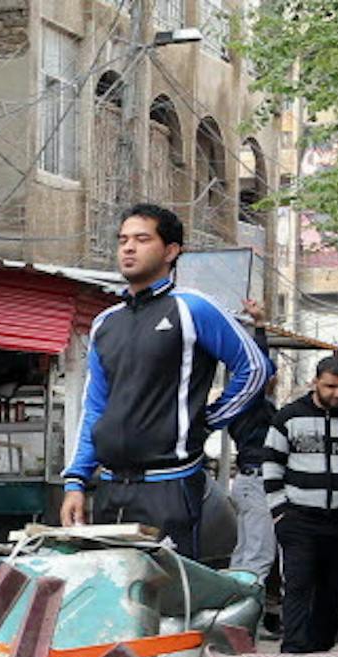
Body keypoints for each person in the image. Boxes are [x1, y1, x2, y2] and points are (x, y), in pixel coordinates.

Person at [60, 204, 270, 557]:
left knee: (168, 599)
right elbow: (95, 407)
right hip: (110, 488)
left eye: (142, 239)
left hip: (170, 485)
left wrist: (207, 421)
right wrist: (76, 481)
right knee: (113, 594)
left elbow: (255, 369)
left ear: (171, 251)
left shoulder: (193, 308)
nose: (128, 248)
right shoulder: (105, 323)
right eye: (123, 240)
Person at [261, 355, 338, 653]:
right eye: (331, 386)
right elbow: (272, 467)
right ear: (316, 382)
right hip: (298, 518)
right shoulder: (288, 417)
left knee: (334, 591)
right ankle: (295, 649)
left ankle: (321, 649)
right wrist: (279, 513)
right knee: (298, 584)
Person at [225, 300, 279, 580]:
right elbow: (258, 366)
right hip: (256, 481)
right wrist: (259, 326)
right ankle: (248, 619)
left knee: (246, 554)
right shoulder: (250, 404)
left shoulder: (247, 405)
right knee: (258, 556)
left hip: (250, 481)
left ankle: (236, 617)